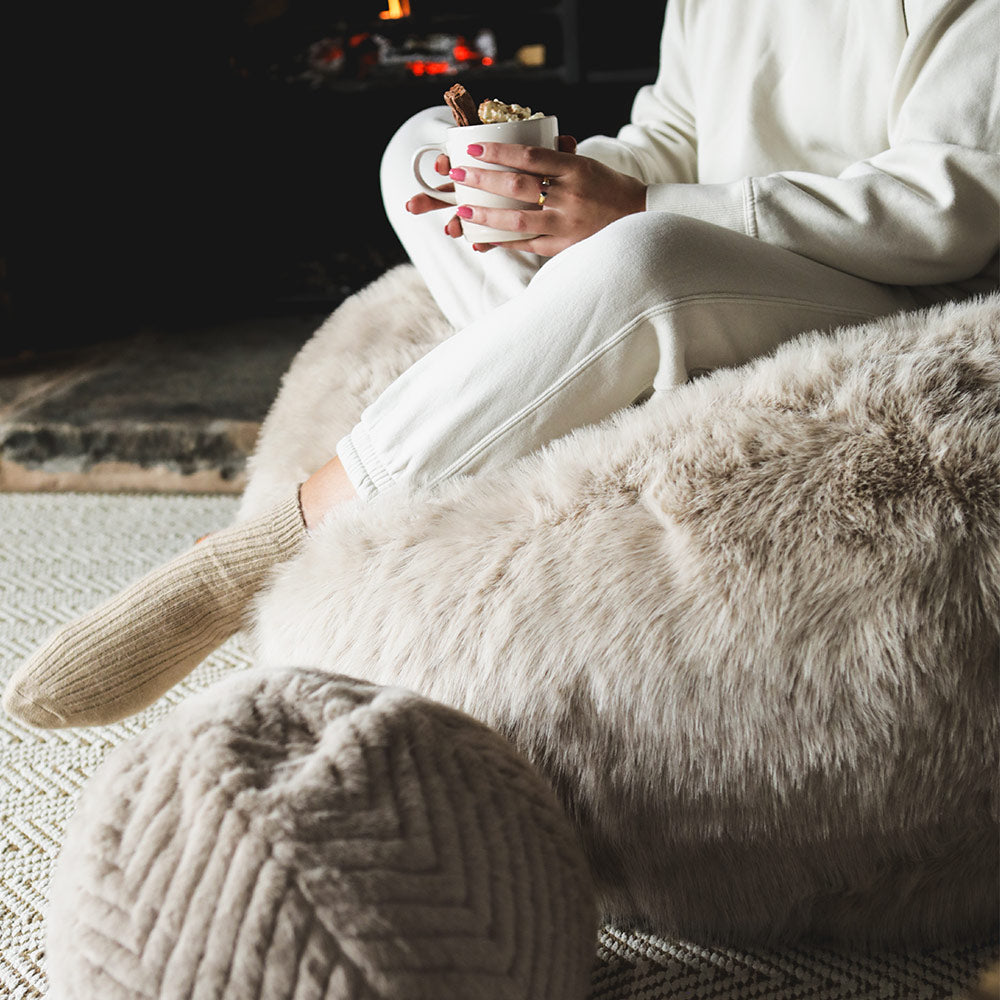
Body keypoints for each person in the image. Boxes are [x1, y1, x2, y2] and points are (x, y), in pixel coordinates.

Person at [5, 0, 998, 727]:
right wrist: (543, 185)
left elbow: (953, 206)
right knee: (419, 151)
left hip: (870, 298)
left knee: (638, 260)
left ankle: (252, 553)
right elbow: (670, 139)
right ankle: (552, 373)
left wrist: (641, 215)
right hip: (695, 254)